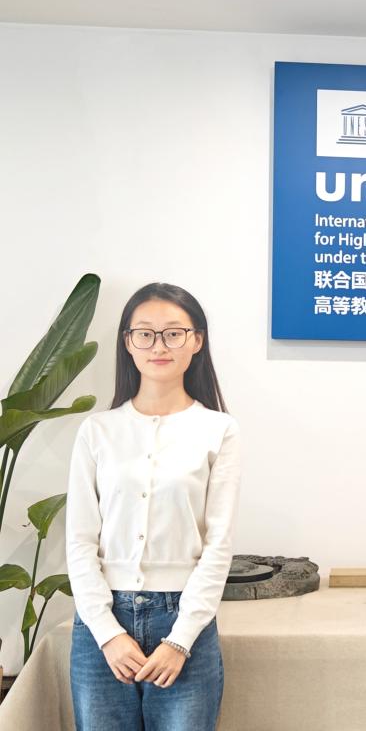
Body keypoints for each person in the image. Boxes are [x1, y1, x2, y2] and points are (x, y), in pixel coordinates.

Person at [66, 282, 241, 730]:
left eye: (173, 333)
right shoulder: (97, 431)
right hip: (102, 622)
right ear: (128, 342)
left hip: (184, 619)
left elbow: (218, 544)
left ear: (196, 340)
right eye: (144, 333)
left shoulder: (219, 430)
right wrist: (108, 634)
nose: (159, 346)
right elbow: (80, 541)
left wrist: (180, 639)